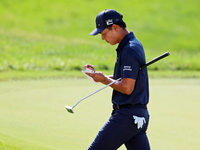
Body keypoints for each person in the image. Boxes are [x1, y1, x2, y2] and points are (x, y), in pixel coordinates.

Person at [84, 9, 150, 150]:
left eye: (103, 34)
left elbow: (127, 88)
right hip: (138, 115)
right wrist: (101, 77)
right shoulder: (131, 45)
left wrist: (104, 80)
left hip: (127, 117)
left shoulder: (129, 50)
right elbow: (127, 78)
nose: (102, 38)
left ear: (114, 27)